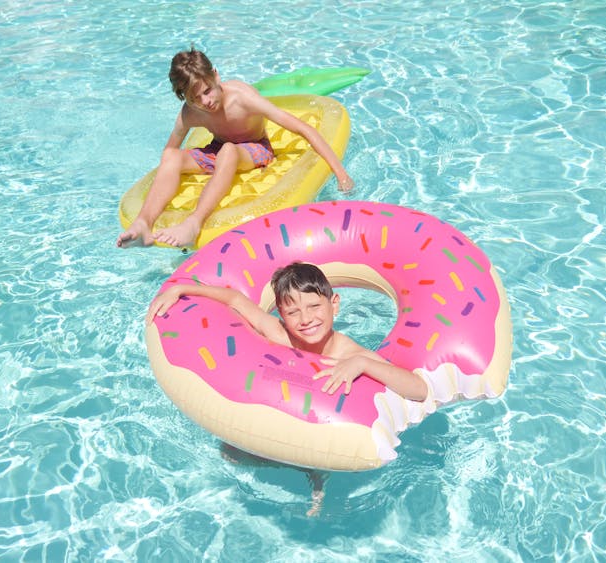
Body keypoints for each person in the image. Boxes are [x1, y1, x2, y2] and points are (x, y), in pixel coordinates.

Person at [118, 48, 354, 249]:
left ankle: (194, 222)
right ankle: (144, 224)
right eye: (195, 99)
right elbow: (169, 153)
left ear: (216, 76)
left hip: (255, 149)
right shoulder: (191, 113)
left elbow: (303, 129)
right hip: (217, 149)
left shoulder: (243, 98)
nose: (205, 102)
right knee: (172, 155)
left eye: (207, 91)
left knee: (229, 150)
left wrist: (341, 174)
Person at [145, 262, 428, 401]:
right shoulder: (280, 334)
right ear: (281, 314)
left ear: (334, 305)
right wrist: (182, 288)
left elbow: (418, 390)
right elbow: (236, 300)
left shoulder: (349, 353)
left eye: (315, 307)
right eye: (292, 312)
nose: (306, 319)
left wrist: (364, 363)